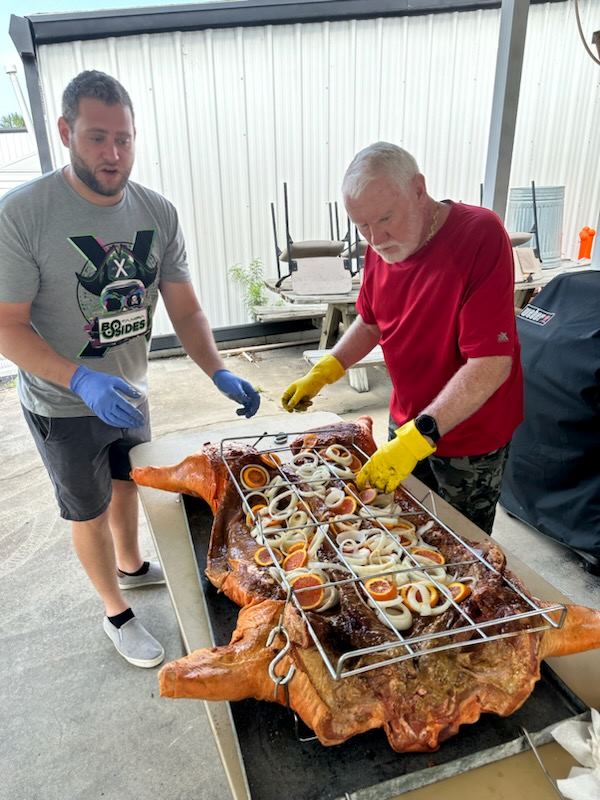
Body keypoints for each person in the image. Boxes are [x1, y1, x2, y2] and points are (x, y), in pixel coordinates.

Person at [0, 70, 260, 669]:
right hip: (62, 402)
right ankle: (116, 612)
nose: (113, 154)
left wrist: (216, 370)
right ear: (66, 132)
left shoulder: (156, 212)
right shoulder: (25, 215)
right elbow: (8, 325)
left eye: (124, 138)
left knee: (127, 482)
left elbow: (185, 305)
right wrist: (79, 378)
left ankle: (131, 563)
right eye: (96, 138)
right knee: (86, 506)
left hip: (129, 388)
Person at [282, 142, 523, 535]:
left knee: (462, 544)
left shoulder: (480, 234)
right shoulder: (382, 243)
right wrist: (330, 367)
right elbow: (373, 321)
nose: (376, 238)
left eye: (386, 219)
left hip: (469, 434)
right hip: (407, 421)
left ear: (418, 188)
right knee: (401, 531)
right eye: (362, 226)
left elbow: (492, 362)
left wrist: (421, 436)